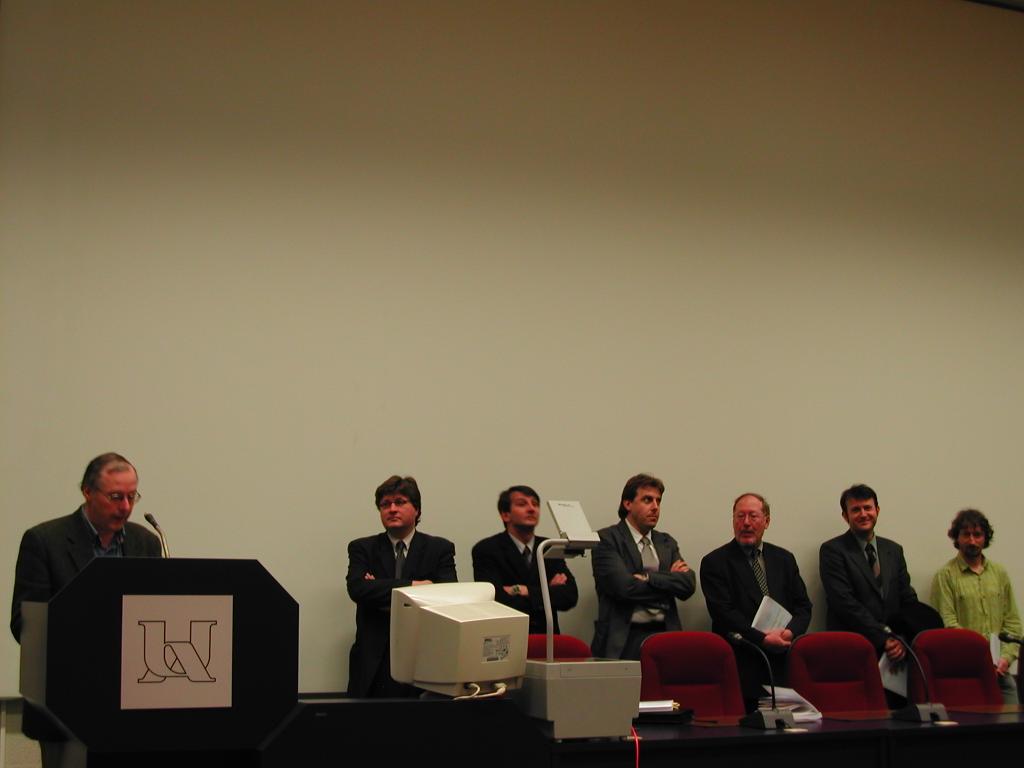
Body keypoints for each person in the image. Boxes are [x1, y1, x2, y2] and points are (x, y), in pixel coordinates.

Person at [10, 453, 162, 768]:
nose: (125, 507)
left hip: (133, 702)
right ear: (87, 492)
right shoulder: (44, 540)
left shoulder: (145, 542)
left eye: (132, 497)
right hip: (65, 703)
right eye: (116, 497)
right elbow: (24, 623)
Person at [345, 475, 457, 698]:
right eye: (385, 505)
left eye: (400, 502)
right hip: (373, 659)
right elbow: (358, 589)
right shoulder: (362, 548)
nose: (392, 509)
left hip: (422, 657)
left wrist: (379, 588)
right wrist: (416, 586)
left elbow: (447, 596)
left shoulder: (439, 548)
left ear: (417, 509)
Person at [700, 492, 812, 709]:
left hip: (782, 663)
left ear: (767, 521)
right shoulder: (715, 562)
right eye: (740, 517)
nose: (746, 523)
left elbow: (803, 607)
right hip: (742, 663)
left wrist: (789, 633)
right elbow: (724, 613)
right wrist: (762, 638)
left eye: (753, 516)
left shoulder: (784, 559)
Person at [591, 473, 695, 660]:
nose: (655, 507)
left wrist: (649, 578)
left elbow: (688, 585)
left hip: (666, 634)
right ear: (628, 504)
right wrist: (669, 581)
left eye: (658, 501)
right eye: (647, 500)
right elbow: (624, 588)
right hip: (625, 638)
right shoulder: (607, 539)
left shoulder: (666, 542)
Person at [819, 483, 921, 661]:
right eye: (856, 509)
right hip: (853, 648)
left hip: (896, 651)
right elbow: (844, 603)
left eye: (868, 508)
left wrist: (904, 637)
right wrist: (883, 638)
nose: (863, 514)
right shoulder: (832, 550)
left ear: (877, 510)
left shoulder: (894, 550)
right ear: (845, 516)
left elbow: (907, 598)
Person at [932, 508, 1022, 705]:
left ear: (985, 538)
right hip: (966, 673)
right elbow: (948, 625)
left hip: (1000, 671)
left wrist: (1006, 659)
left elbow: (1013, 623)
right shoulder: (945, 575)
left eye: (977, 535)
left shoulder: (999, 573)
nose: (972, 541)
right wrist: (980, 659)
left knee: (1013, 727)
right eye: (966, 534)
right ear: (957, 537)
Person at [472, 485, 578, 635]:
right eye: (522, 504)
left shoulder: (549, 546)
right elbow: (496, 600)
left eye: (535, 504)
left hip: (546, 639)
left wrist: (523, 590)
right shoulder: (487, 549)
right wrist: (547, 590)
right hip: (506, 636)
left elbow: (570, 596)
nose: (531, 509)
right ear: (505, 515)